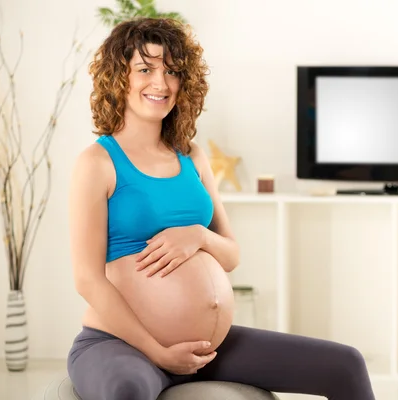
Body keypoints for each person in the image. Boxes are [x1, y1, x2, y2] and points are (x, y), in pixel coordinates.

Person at [66, 17, 376, 400]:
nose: (161, 83)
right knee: (127, 391)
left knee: (344, 365)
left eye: (173, 71)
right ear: (118, 78)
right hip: (121, 345)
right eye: (145, 69)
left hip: (207, 349)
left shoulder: (193, 157)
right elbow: (87, 279)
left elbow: (230, 255)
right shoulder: (97, 163)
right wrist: (158, 351)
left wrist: (197, 235)